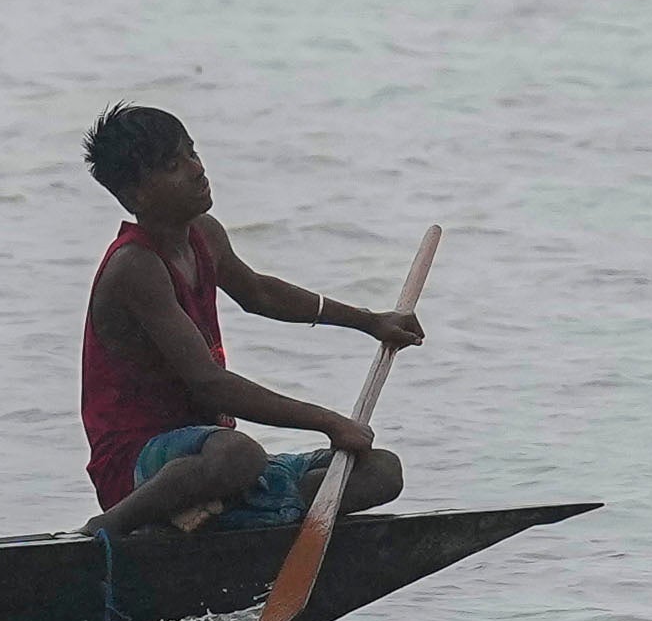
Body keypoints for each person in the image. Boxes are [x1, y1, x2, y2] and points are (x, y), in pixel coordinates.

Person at [78, 102, 426, 537]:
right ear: (137, 195)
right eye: (173, 165)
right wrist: (329, 421)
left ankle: (225, 515)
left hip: (209, 453)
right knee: (238, 455)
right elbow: (210, 384)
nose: (196, 169)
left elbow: (259, 292)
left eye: (192, 152)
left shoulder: (205, 234)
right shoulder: (136, 266)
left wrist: (369, 321)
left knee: (380, 471)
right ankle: (113, 526)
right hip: (137, 466)